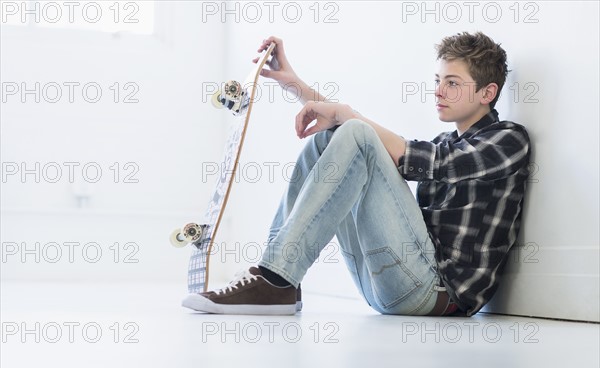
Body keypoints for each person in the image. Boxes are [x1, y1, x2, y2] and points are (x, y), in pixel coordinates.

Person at [182, 32, 531, 317]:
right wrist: (296, 86)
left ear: (488, 92)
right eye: (438, 80)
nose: (438, 91)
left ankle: (276, 280)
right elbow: (370, 146)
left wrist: (346, 115)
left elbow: (431, 160)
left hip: (437, 294)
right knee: (333, 137)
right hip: (386, 284)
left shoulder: (508, 140)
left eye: (452, 83)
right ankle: (279, 276)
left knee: (356, 133)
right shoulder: (444, 139)